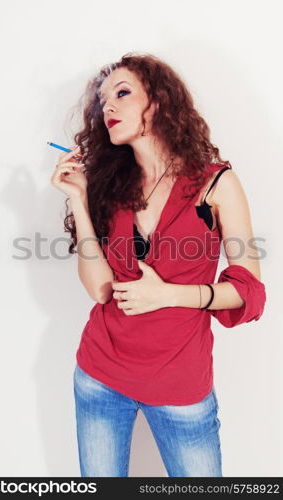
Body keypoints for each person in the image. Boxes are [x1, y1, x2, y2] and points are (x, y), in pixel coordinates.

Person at [51, 52, 266, 477]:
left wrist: (167, 295)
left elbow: (249, 292)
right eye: (102, 100)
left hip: (180, 386)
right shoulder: (112, 185)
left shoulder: (215, 183)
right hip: (99, 378)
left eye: (123, 93)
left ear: (161, 102)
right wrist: (77, 197)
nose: (107, 106)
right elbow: (100, 290)